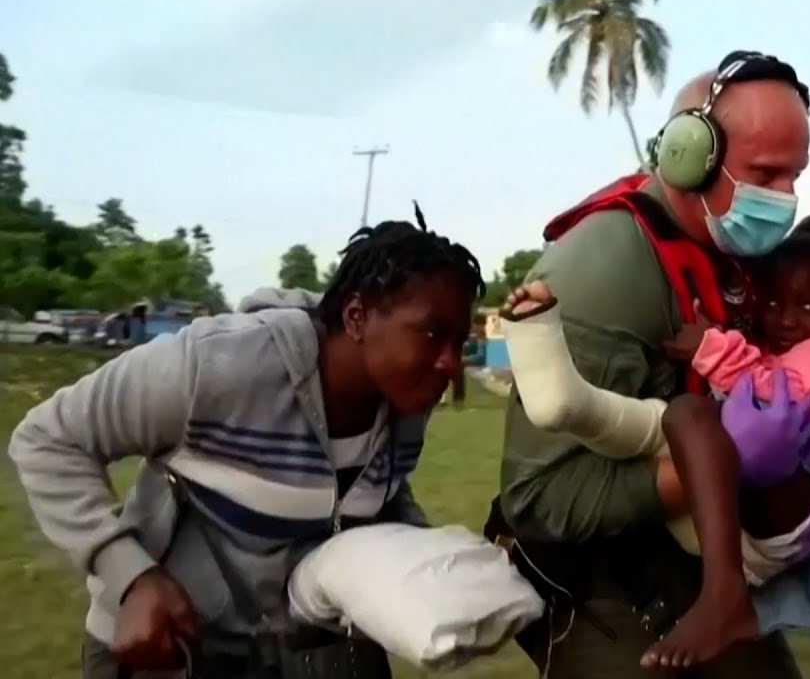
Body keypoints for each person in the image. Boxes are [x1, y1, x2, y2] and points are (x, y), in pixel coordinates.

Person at [486, 51, 810, 678]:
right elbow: (539, 499)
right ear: (689, 155)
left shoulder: (743, 257)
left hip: (692, 551)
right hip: (592, 575)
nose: (785, 199)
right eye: (766, 174)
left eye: (794, 176)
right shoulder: (606, 268)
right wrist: (717, 468)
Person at [8, 205, 484, 678]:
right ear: (357, 316)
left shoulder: (404, 407)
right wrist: (131, 577)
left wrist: (438, 568)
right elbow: (49, 438)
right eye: (432, 334)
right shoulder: (219, 365)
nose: (450, 364)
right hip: (170, 648)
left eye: (458, 343)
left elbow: (371, 494)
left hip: (303, 650)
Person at [498, 216, 810, 669]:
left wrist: (711, 348)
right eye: (775, 303)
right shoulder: (803, 342)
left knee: (692, 419)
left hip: (802, 502)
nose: (786, 319)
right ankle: (564, 402)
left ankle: (723, 594)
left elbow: (776, 404)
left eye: (808, 308)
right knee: (676, 432)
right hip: (748, 529)